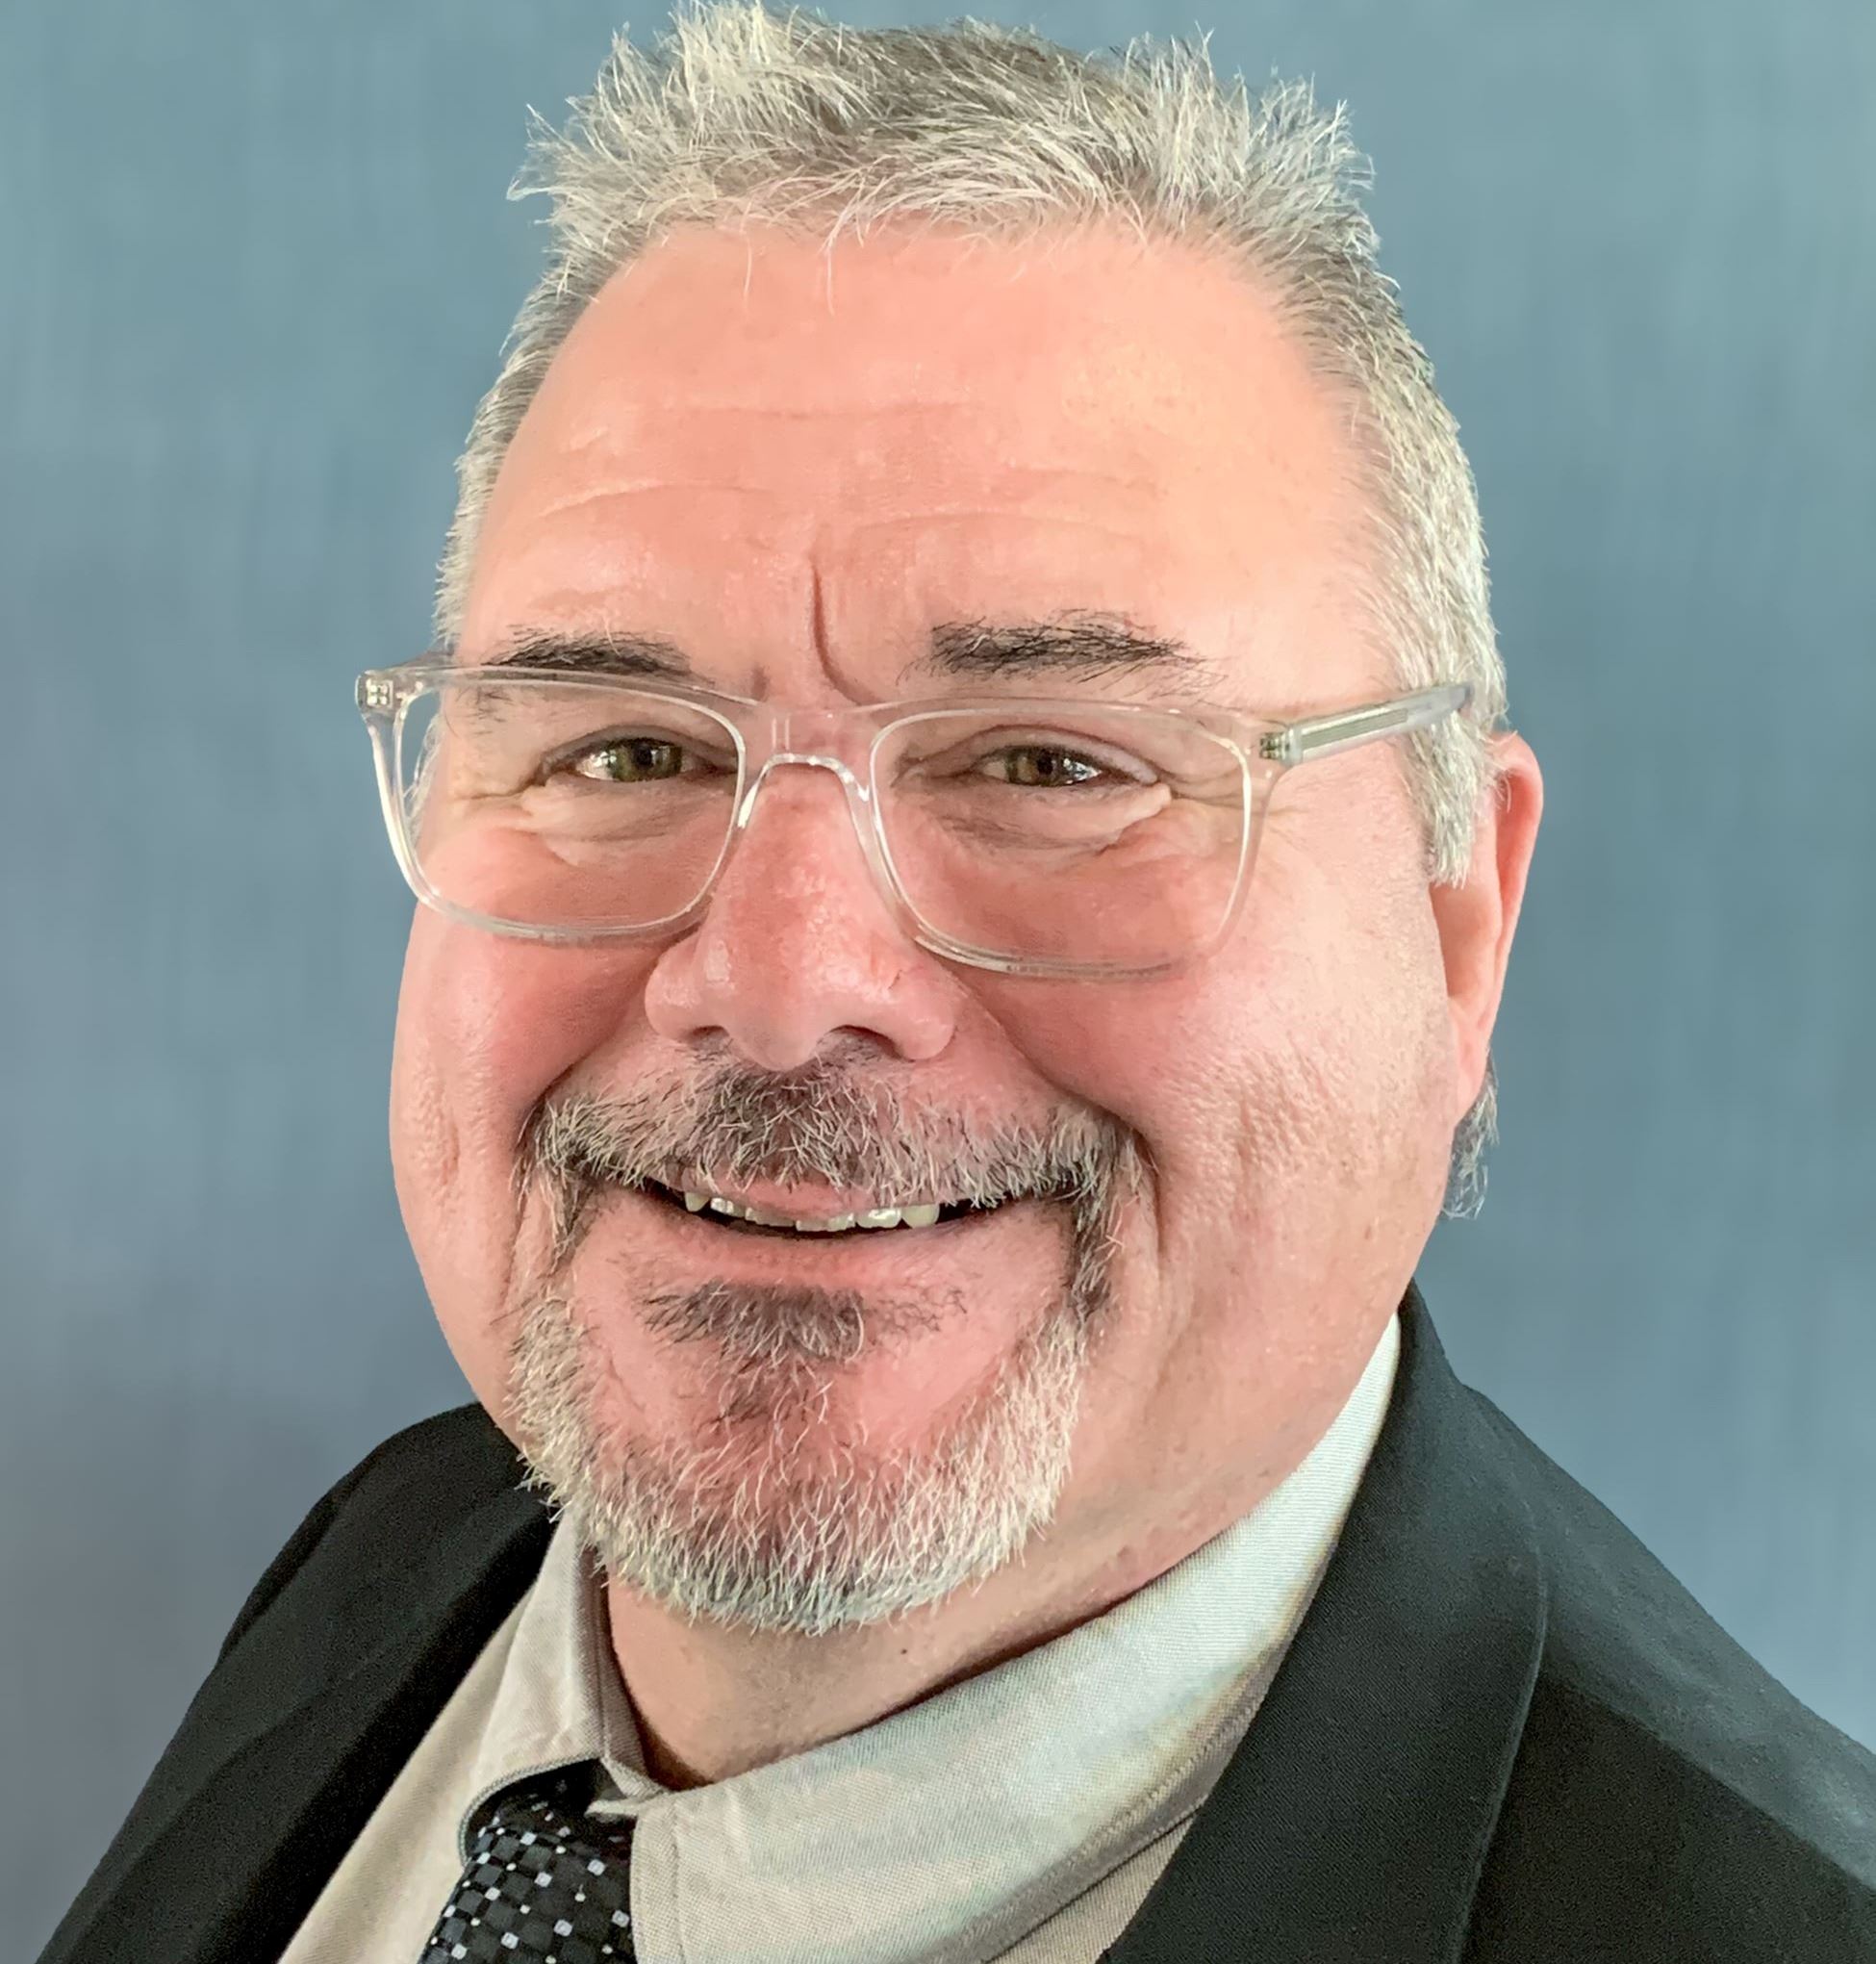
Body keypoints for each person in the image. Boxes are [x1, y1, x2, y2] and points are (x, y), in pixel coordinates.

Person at [38, 5, 1875, 1960]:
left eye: (1051, 766)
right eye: (625, 749)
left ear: (1454, 927)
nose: (779, 981)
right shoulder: (406, 1560)